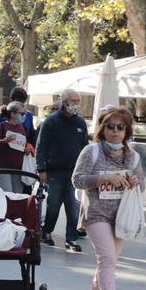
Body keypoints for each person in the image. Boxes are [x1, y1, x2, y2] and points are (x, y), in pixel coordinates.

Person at [72, 106, 141, 290]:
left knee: (108, 262)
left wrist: (135, 181)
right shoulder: (90, 152)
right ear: (102, 129)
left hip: (121, 216)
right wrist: (102, 178)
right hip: (96, 214)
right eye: (110, 126)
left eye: (120, 127)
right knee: (107, 259)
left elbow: (142, 182)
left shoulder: (133, 156)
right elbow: (77, 179)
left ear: (126, 131)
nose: (115, 131)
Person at [36, 89, 89, 253]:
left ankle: (71, 238)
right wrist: (42, 168)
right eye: (73, 101)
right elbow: (41, 146)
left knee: (74, 206)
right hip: (55, 171)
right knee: (53, 206)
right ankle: (46, 231)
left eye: (77, 101)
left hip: (75, 172)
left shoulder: (80, 123)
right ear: (64, 102)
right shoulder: (51, 121)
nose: (75, 104)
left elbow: (85, 147)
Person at [0, 103, 34, 192]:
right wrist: (4, 141)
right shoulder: (1, 127)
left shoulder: (22, 128)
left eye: (25, 114)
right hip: (2, 169)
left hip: (18, 170)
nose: (24, 116)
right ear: (12, 114)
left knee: (17, 197)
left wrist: (27, 150)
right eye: (22, 114)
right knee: (7, 195)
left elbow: (23, 145)